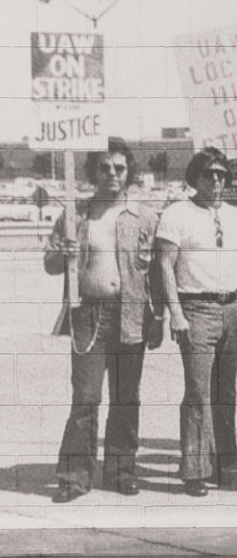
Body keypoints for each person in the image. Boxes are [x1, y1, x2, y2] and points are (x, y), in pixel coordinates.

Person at [44, 137, 164, 503]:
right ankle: (75, 476)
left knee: (126, 399)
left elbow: (157, 273)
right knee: (85, 398)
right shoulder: (76, 213)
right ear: (93, 171)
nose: (112, 174)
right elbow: (51, 264)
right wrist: (60, 251)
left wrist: (158, 317)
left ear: (129, 171)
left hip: (132, 314)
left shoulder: (145, 215)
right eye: (105, 167)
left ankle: (121, 471)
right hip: (88, 316)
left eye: (119, 168)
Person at [155, 146, 237, 497]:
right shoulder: (176, 213)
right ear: (195, 177)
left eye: (221, 174)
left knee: (225, 391)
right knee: (198, 392)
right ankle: (195, 469)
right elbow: (164, 266)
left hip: (232, 309)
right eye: (209, 173)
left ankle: (222, 463)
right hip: (196, 309)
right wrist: (176, 313)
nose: (215, 179)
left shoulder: (232, 213)